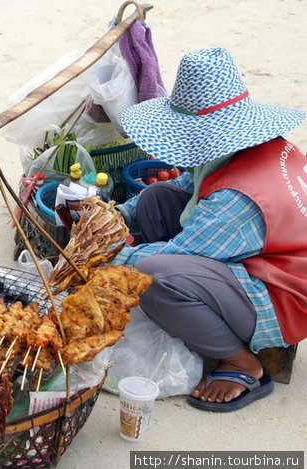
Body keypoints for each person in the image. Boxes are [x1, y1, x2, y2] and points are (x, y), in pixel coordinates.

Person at [113, 48, 306, 412]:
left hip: (284, 293)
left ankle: (242, 363)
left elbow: (175, 255)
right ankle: (189, 311)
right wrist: (118, 215)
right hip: (268, 256)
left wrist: (106, 256)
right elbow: (188, 183)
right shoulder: (250, 147)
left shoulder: (237, 201)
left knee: (152, 276)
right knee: (157, 197)